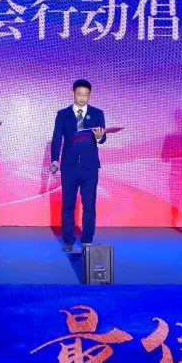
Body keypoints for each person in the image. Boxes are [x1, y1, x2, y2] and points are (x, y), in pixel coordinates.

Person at [50, 79, 106, 252]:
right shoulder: (63, 114)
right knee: (68, 204)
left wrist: (99, 137)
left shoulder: (97, 113)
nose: (83, 98)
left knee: (89, 204)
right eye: (80, 94)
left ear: (90, 95)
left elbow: (102, 137)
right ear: (73, 94)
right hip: (69, 166)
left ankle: (87, 239)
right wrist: (54, 160)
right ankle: (68, 240)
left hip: (90, 166)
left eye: (86, 95)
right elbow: (57, 138)